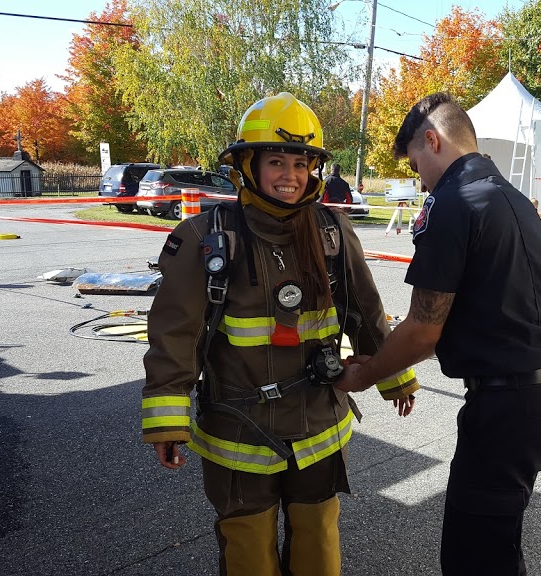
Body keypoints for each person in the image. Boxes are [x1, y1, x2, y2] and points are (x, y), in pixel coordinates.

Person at [142, 92, 419, 576]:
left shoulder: (333, 230)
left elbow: (367, 313)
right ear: (247, 164)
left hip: (319, 427)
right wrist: (167, 419)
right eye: (276, 161)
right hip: (238, 433)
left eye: (301, 163)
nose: (290, 175)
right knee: (248, 548)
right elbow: (174, 334)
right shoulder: (204, 238)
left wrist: (395, 378)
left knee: (318, 544)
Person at [335, 92, 541, 575]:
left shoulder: (454, 202)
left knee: (473, 557)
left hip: (508, 405)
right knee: (495, 545)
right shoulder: (513, 198)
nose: (419, 177)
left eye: (416, 164)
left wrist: (367, 374)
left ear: (432, 140)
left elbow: (424, 328)